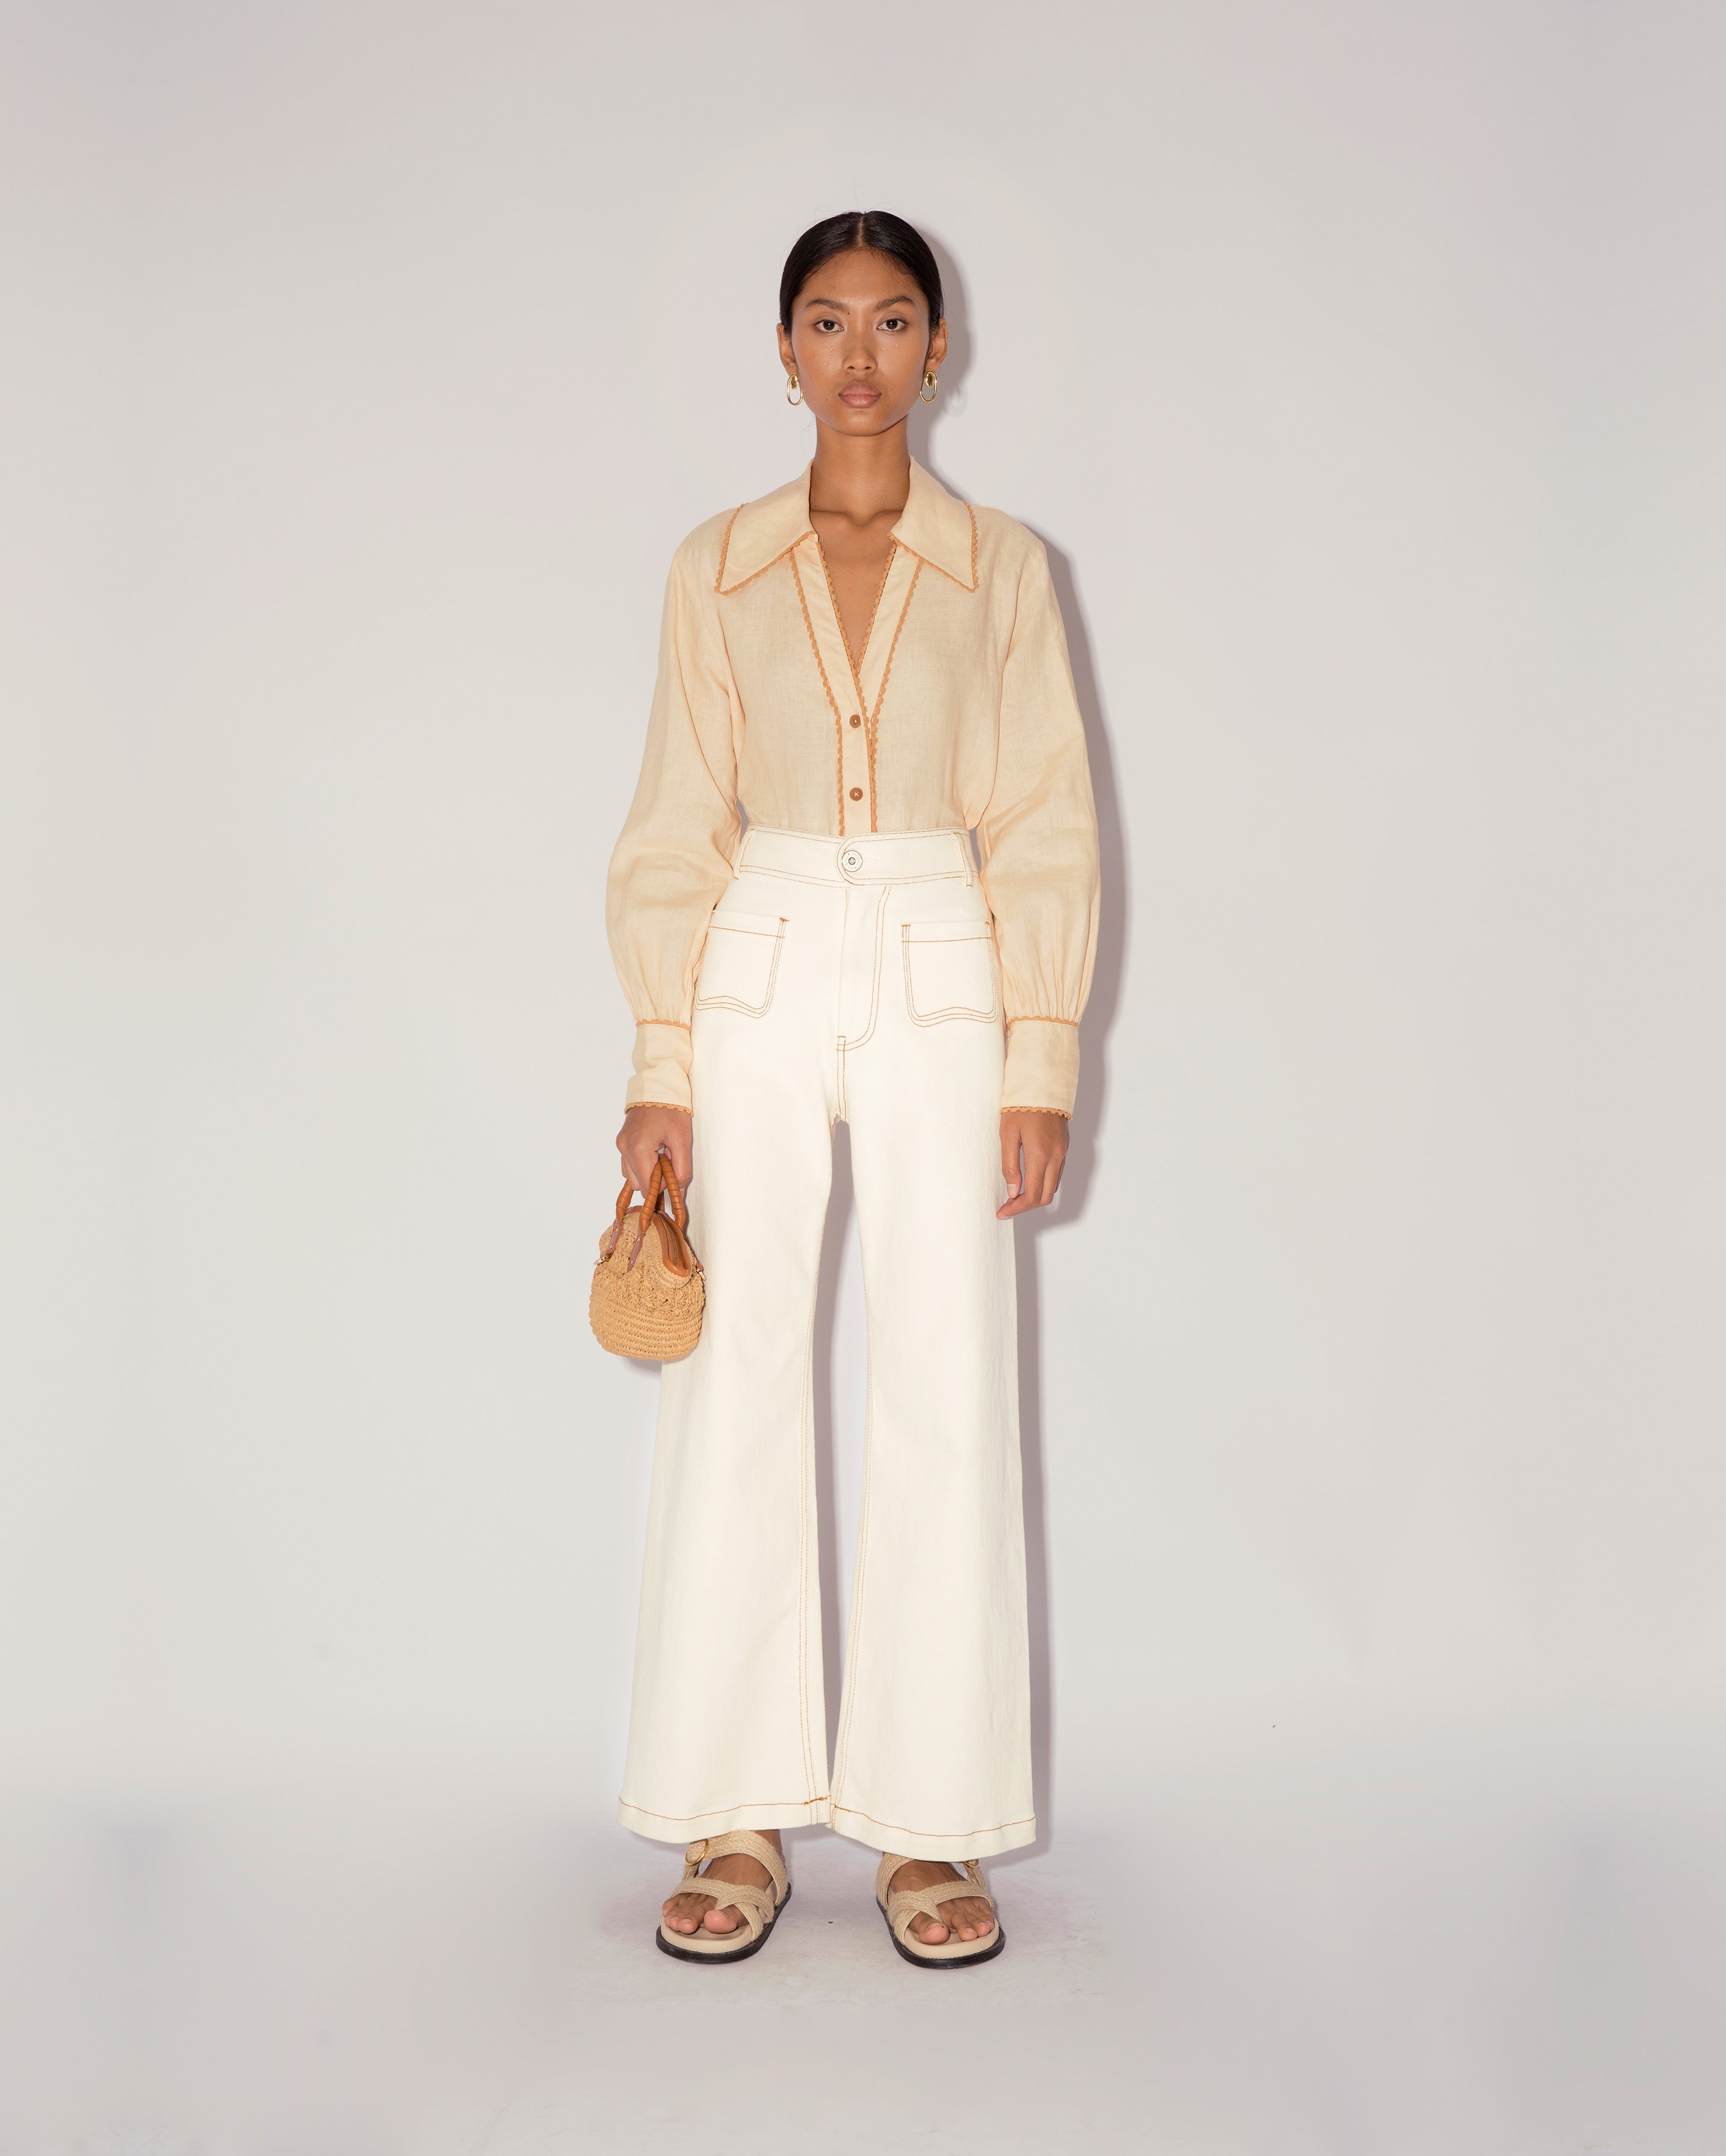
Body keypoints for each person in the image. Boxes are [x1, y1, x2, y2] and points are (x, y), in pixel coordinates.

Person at [605, 209, 1100, 1968]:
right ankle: (729, 1806)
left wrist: (1039, 1052)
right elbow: (677, 819)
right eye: (827, 321)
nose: (861, 356)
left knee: (949, 1371)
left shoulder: (1004, 569)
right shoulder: (717, 565)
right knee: (732, 1372)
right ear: (785, 349)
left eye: (894, 322)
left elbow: (1043, 815)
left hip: (942, 954)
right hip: (754, 951)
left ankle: (925, 1820)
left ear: (937, 348)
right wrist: (661, 1061)